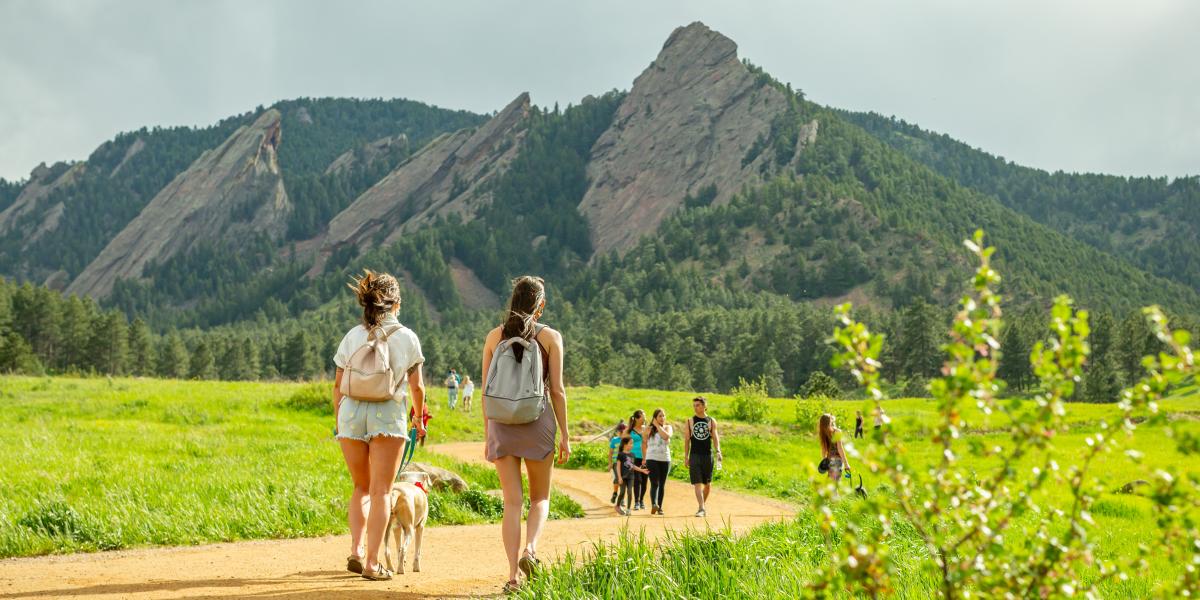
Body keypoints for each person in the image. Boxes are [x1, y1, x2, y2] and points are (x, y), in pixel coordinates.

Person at [332, 270, 426, 581]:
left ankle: (357, 551)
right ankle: (373, 563)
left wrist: (340, 421)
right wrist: (418, 418)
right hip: (387, 414)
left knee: (361, 487)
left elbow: (337, 386)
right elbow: (417, 388)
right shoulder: (407, 337)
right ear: (396, 304)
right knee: (382, 490)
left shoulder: (352, 336)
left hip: (351, 414)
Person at [481, 276, 569, 594]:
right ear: (540, 305)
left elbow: (485, 392)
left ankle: (512, 577)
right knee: (540, 498)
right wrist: (566, 436)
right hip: (538, 421)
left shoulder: (494, 336)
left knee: (512, 503)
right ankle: (530, 550)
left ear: (513, 302)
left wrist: (487, 433)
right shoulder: (550, 338)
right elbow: (557, 391)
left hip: (502, 424)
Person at [682, 396, 720, 517]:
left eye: (697, 405)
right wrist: (686, 457)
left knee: (707, 484)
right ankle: (701, 507)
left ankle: (702, 506)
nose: (695, 407)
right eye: (694, 405)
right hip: (694, 455)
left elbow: (715, 437)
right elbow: (687, 440)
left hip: (707, 455)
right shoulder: (690, 421)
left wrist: (718, 451)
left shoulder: (711, 421)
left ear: (704, 406)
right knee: (697, 483)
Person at [644, 408, 673, 515]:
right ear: (655, 418)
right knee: (654, 483)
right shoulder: (648, 429)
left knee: (662, 484)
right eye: (660, 416)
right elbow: (643, 440)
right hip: (651, 458)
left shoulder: (668, 427)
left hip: (665, 459)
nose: (662, 418)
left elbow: (666, 436)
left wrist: (658, 426)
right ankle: (654, 505)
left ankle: (660, 507)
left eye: (663, 416)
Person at [614, 436, 648, 516]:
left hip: (631, 476)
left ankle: (628, 509)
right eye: (631, 443)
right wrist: (619, 477)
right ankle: (617, 506)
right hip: (622, 477)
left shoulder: (632, 454)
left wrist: (642, 470)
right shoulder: (620, 454)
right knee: (622, 492)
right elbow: (618, 467)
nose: (632, 445)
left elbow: (632, 466)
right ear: (625, 444)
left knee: (629, 492)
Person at [819, 413, 852, 485]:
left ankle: (829, 495)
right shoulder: (837, 432)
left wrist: (825, 461)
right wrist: (846, 464)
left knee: (831, 482)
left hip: (830, 459)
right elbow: (840, 448)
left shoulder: (823, 433)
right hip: (837, 460)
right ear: (830, 422)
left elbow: (823, 449)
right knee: (834, 483)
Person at [627, 410, 648, 510]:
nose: (644, 419)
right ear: (636, 418)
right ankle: (636, 502)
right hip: (633, 457)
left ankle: (642, 500)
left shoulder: (647, 429)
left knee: (644, 480)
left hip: (646, 457)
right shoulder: (630, 430)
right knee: (637, 479)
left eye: (645, 417)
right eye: (643, 417)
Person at [608, 422, 628, 504]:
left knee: (624, 480)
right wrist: (610, 463)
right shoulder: (614, 440)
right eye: (621, 431)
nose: (622, 433)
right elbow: (610, 453)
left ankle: (622, 498)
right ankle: (615, 493)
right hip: (616, 463)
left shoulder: (627, 441)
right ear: (618, 432)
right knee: (617, 479)